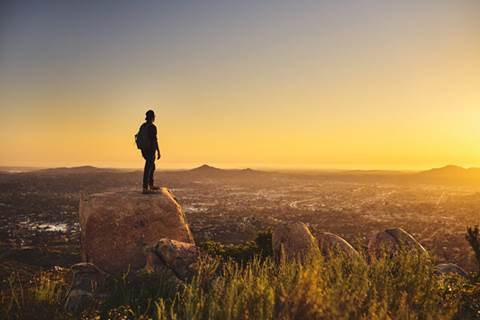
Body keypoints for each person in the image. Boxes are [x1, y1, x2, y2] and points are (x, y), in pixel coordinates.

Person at [137, 110, 161, 194]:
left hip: (144, 150)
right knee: (148, 167)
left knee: (152, 167)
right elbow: (154, 139)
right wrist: (158, 151)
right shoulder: (152, 127)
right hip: (150, 150)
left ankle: (150, 185)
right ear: (152, 117)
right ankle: (145, 187)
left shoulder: (143, 126)